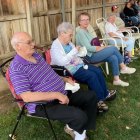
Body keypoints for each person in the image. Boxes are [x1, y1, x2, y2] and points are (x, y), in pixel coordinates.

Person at [9, 32, 97, 140]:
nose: (33, 44)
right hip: (43, 104)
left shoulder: (35, 55)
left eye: (32, 40)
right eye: (29, 42)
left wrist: (64, 79)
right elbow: (26, 97)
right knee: (79, 116)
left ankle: (77, 128)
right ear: (18, 46)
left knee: (91, 96)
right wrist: (56, 94)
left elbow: (49, 72)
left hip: (62, 92)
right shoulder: (16, 68)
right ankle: (80, 135)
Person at [50, 22, 117, 111]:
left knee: (97, 71)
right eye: (70, 35)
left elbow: (76, 54)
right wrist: (74, 51)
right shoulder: (55, 46)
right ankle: (99, 100)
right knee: (91, 76)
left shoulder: (68, 43)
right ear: (62, 34)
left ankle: (105, 93)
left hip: (79, 65)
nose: (71, 37)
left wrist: (80, 51)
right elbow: (62, 62)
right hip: (69, 70)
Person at [75, 12, 136, 87]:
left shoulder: (86, 30)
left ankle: (116, 80)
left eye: (87, 19)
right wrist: (103, 47)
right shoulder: (80, 32)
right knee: (113, 48)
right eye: (83, 20)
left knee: (113, 57)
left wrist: (100, 45)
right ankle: (123, 67)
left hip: (95, 53)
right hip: (89, 57)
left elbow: (93, 43)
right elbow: (89, 48)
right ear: (79, 22)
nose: (86, 21)